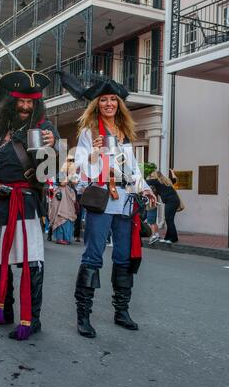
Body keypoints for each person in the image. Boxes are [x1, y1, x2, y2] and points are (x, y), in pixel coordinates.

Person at [0, 69, 60, 341]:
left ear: (37, 104)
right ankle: (3, 311)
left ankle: (32, 319)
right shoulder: (0, 131)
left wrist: (51, 149)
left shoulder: (45, 129)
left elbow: (47, 174)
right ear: (12, 101)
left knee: (31, 264)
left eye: (31, 102)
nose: (26, 106)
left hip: (24, 204)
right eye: (21, 101)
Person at [59, 73, 156, 338]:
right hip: (101, 200)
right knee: (92, 256)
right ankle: (83, 315)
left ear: (119, 104)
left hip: (124, 201)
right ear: (97, 104)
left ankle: (121, 311)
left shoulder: (124, 132)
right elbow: (77, 168)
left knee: (123, 257)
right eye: (104, 100)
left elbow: (132, 167)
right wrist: (93, 153)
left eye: (113, 100)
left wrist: (144, 188)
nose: (109, 104)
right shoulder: (88, 133)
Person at [49, 156, 78, 245]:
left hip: (69, 196)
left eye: (72, 161)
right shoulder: (60, 171)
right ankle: (59, 237)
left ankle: (66, 237)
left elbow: (75, 182)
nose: (70, 163)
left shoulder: (72, 172)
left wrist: (72, 174)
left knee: (69, 215)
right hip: (60, 196)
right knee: (61, 214)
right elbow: (62, 183)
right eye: (68, 161)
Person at [146, 170, 180, 244]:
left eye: (152, 175)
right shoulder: (166, 181)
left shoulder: (156, 181)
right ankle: (167, 238)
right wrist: (173, 173)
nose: (151, 177)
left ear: (155, 176)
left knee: (169, 220)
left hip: (171, 202)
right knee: (169, 220)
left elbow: (146, 182)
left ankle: (173, 238)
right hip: (174, 201)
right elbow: (175, 179)